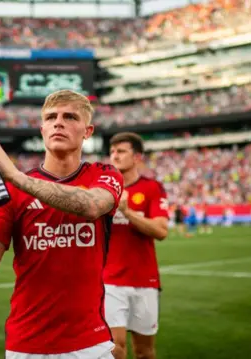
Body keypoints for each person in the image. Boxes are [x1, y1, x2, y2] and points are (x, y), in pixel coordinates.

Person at [0, 90, 123, 359]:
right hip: (26, 345)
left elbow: (91, 206)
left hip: (90, 344)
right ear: (42, 129)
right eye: (51, 117)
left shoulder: (104, 174)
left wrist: (14, 176)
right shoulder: (12, 192)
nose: (59, 122)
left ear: (88, 131)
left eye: (70, 117)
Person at [105, 132, 169, 359]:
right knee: (115, 347)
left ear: (137, 157)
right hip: (109, 280)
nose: (115, 156)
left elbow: (161, 231)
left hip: (145, 280)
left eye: (121, 151)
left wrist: (127, 212)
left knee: (144, 352)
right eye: (112, 152)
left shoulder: (152, 188)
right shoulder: (102, 192)